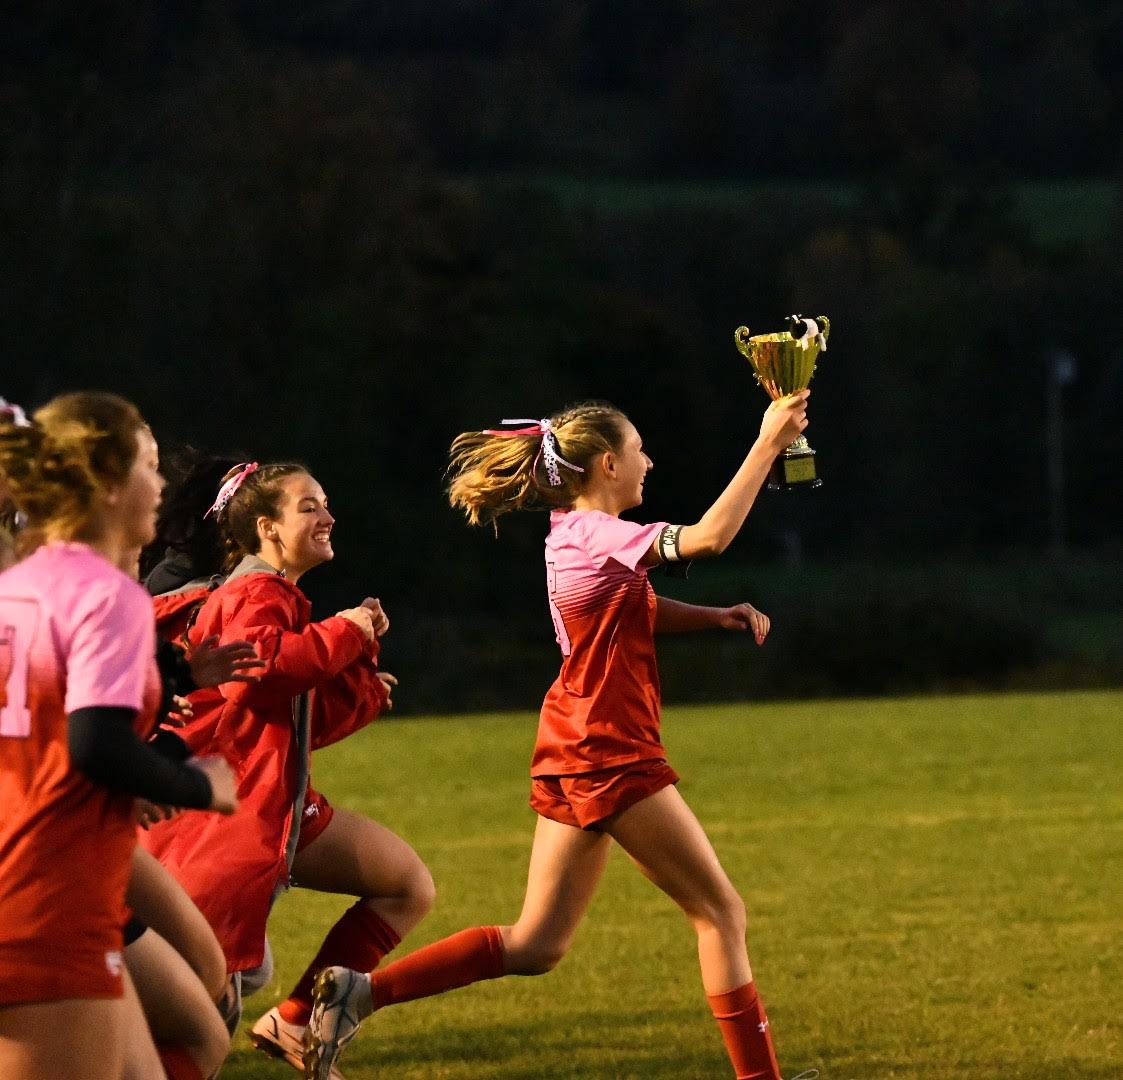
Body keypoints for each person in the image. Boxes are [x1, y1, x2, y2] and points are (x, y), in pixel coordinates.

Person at [304, 397, 819, 1080]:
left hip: (578, 740)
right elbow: (707, 539)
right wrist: (766, 443)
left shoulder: (573, 534)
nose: (649, 461)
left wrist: (710, 616)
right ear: (607, 463)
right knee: (719, 912)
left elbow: (626, 604)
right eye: (639, 450)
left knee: (538, 943)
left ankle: (358, 992)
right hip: (607, 746)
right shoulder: (596, 533)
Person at [140, 461, 435, 1075]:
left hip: (265, 801)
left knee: (405, 884)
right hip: (224, 819)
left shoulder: (269, 594)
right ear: (268, 528)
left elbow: (282, 721)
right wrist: (345, 631)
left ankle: (296, 1017)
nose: (327, 516)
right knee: (201, 1016)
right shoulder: (255, 592)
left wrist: (361, 690)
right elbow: (259, 676)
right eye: (309, 506)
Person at [0, 392, 237, 1080]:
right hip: (47, 890)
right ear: (106, 482)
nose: (161, 485)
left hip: (37, 865)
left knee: (183, 1044)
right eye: (149, 465)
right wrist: (191, 781)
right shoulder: (95, 589)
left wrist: (165, 676)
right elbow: (90, 743)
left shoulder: (26, 580)